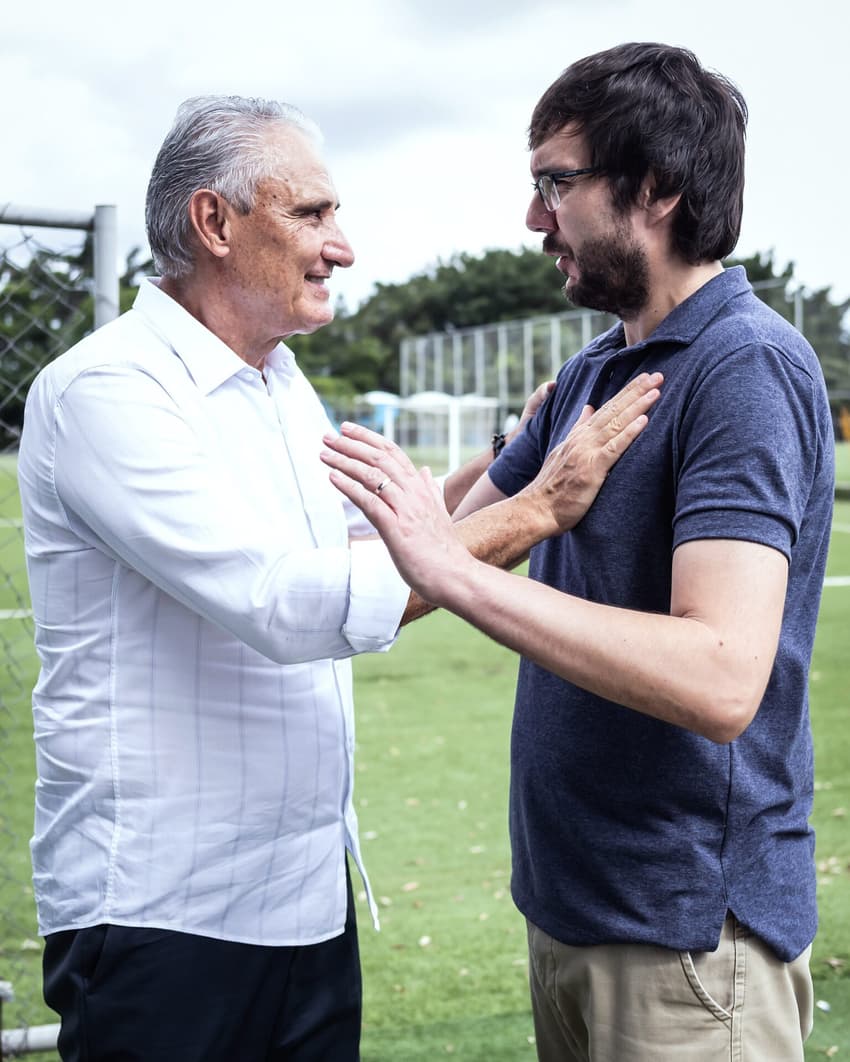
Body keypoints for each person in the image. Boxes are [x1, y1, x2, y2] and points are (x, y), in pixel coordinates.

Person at [16, 94, 661, 1062]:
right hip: (164, 922)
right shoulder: (106, 391)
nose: (343, 247)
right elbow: (287, 600)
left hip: (305, 908)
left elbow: (377, 529)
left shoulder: (278, 380)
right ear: (214, 223)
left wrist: (520, 452)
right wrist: (538, 511)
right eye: (312, 215)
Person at [321, 42, 835, 1062]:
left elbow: (723, 676)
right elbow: (456, 531)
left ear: (655, 188)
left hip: (688, 942)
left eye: (554, 183)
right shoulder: (598, 366)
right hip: (574, 907)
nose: (531, 218)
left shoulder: (743, 368)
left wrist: (452, 568)